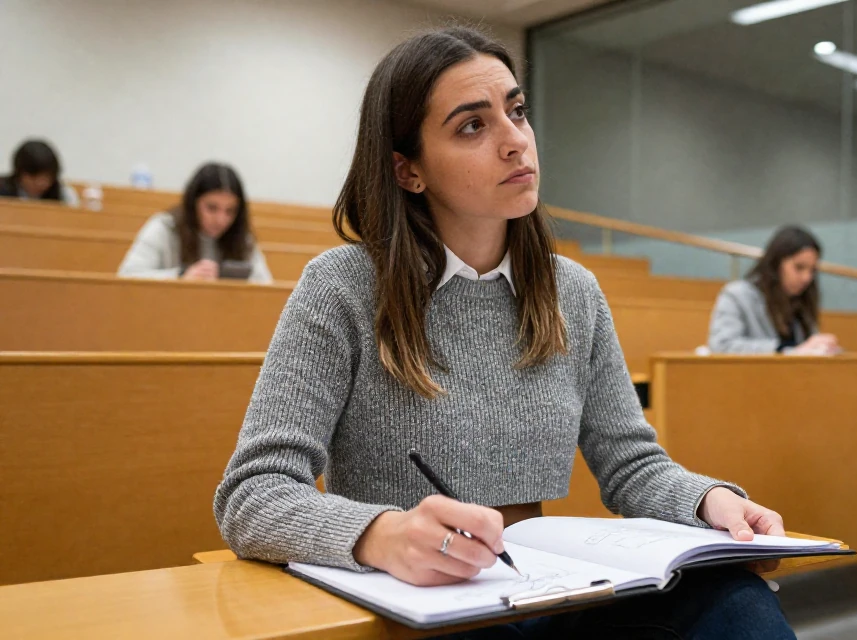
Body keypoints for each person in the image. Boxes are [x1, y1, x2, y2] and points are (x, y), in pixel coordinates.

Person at [213, 27, 794, 639]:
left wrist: (710, 504)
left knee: (735, 599)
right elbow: (254, 493)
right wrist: (381, 534)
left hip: (547, 590)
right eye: (472, 126)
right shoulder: (343, 287)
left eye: (516, 112)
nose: (516, 141)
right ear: (408, 170)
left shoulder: (573, 291)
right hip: (424, 604)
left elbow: (630, 465)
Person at [117, 162, 272, 283]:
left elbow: (265, 286)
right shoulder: (164, 228)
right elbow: (126, 276)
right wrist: (181, 276)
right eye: (211, 208)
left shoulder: (242, 238)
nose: (221, 220)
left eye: (230, 211)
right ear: (193, 203)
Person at [707, 225, 839, 355]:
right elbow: (721, 346)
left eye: (812, 270)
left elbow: (805, 350)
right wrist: (781, 350)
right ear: (776, 263)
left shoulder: (802, 300)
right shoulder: (737, 295)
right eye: (799, 267)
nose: (807, 278)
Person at [0, 139, 80, 206]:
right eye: (33, 177)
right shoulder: (3, 189)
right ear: (19, 173)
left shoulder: (62, 194)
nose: (41, 183)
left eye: (47, 178)